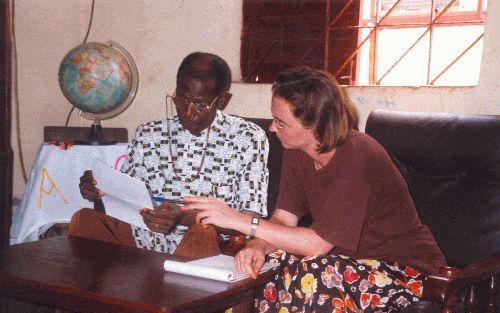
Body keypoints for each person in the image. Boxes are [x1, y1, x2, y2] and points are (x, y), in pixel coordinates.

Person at [181, 66, 447, 312]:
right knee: (258, 276)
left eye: (281, 122)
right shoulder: (297, 153)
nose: (273, 128)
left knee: (315, 274)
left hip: (409, 274)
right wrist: (258, 246)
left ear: (316, 125)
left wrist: (239, 221)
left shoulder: (358, 155)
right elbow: (283, 219)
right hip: (344, 266)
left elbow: (317, 244)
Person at [68, 52, 269, 254]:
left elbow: (251, 220)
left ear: (222, 100)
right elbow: (124, 199)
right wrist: (98, 191)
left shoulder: (247, 138)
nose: (188, 112)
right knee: (84, 220)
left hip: (205, 245)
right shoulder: (149, 134)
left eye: (200, 104)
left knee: (202, 233)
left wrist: (185, 217)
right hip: (142, 239)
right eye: (181, 100)